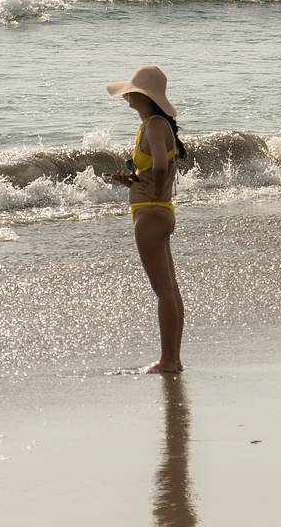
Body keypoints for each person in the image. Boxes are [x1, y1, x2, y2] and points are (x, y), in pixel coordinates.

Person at [106, 65, 186, 373]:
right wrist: (134, 179)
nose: (126, 97)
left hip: (151, 214)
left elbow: (161, 168)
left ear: (143, 96)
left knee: (164, 290)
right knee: (170, 289)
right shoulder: (158, 125)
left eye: (131, 92)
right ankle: (173, 359)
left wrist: (150, 182)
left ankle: (168, 360)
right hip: (159, 210)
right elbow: (158, 164)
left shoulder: (153, 125)